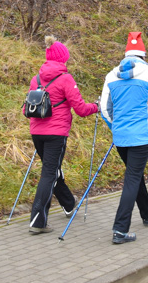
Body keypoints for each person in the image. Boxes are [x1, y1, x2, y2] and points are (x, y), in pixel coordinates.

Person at [100, 32, 148, 244]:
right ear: (143, 55)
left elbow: (105, 110)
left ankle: (147, 211)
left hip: (121, 137)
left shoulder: (110, 75)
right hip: (142, 136)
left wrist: (116, 127)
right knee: (132, 178)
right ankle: (120, 229)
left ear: (125, 55)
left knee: (135, 174)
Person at [26, 37, 99, 234]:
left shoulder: (36, 79)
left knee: (52, 169)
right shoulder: (66, 79)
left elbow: (27, 107)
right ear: (62, 59)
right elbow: (81, 109)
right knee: (49, 173)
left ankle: (68, 202)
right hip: (56, 134)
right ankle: (38, 221)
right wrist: (97, 107)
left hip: (36, 132)